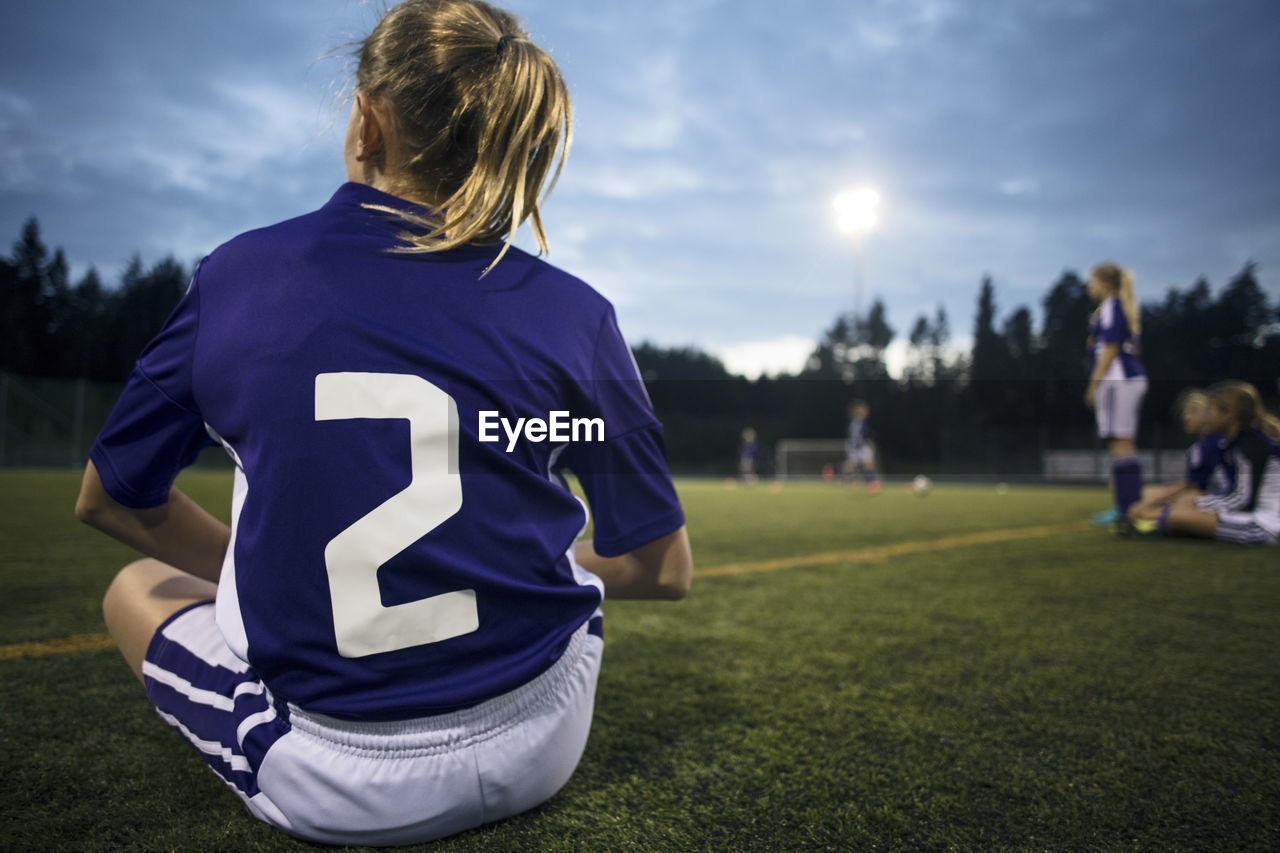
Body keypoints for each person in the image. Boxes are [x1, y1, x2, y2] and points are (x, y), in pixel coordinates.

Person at [74, 1, 692, 845]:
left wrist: (259, 576)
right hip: (546, 737)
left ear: (367, 120)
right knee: (572, 587)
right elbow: (661, 568)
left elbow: (111, 499)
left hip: (340, 777)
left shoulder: (242, 279)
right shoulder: (576, 315)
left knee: (132, 588)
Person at [1152, 381, 1280, 544]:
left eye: (1209, 410)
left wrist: (1198, 503)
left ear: (1228, 414)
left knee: (1176, 516)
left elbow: (1244, 499)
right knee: (1179, 513)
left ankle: (1167, 523)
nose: (1206, 416)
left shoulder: (1251, 446)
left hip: (1264, 526)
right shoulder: (1235, 443)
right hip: (1251, 516)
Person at [1084, 262, 1147, 533]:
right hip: (1128, 380)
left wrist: (1093, 384)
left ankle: (1128, 509)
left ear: (1106, 284)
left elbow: (1109, 348)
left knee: (1119, 443)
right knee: (1124, 443)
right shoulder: (1121, 306)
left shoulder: (1111, 305)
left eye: (1093, 282)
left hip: (1116, 382)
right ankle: (1129, 507)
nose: (1090, 287)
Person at [1127, 387, 1231, 522]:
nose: (1185, 417)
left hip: (1222, 498)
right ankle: (1153, 515)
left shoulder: (1214, 442)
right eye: (1184, 412)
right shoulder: (1200, 446)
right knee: (1148, 492)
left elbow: (1192, 486)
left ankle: (1153, 517)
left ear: (1211, 413)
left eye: (1193, 411)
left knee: (1182, 499)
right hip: (1212, 495)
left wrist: (1147, 505)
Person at [843, 400, 881, 494]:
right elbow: (857, 436)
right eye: (863, 410)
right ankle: (853, 482)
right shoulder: (858, 422)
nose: (866, 412)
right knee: (854, 465)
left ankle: (870, 483)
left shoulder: (858, 422)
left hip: (858, 446)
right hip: (858, 446)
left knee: (865, 464)